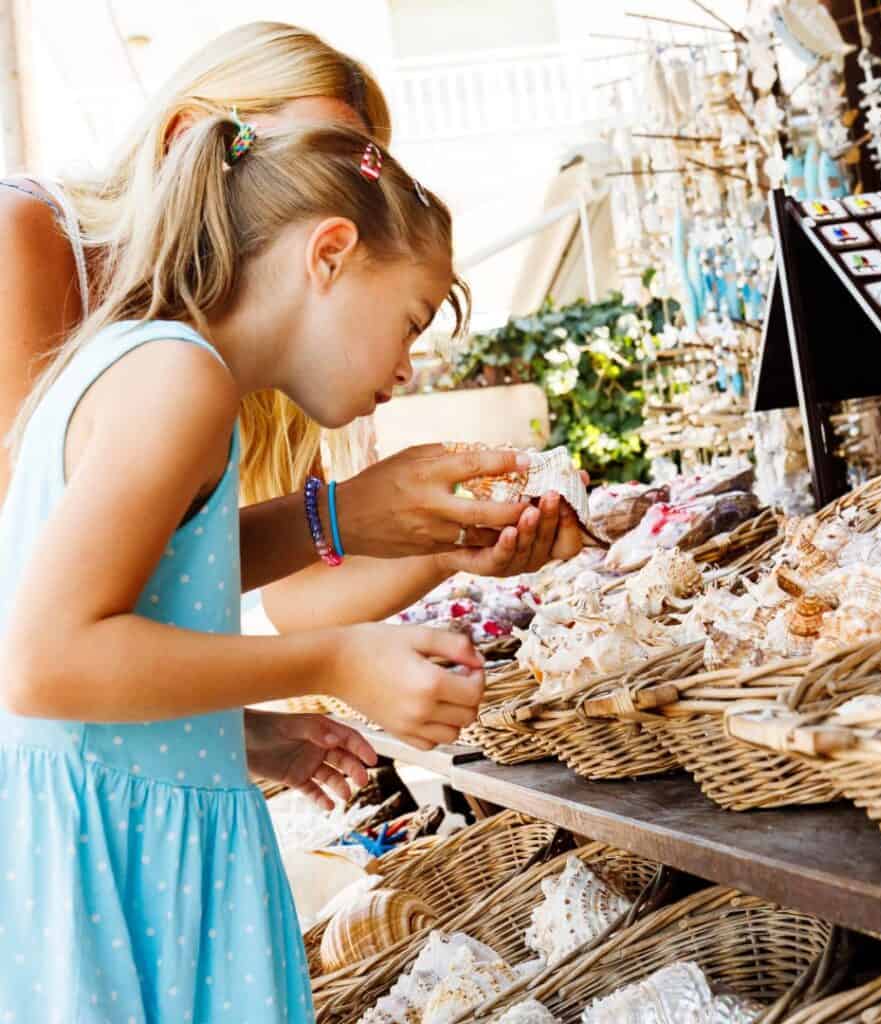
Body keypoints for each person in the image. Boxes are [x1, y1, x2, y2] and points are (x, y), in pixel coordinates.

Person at [0, 22, 583, 807]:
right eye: (311, 162)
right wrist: (330, 663)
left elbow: (245, 586)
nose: (335, 191)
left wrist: (443, 544)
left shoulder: (236, 349)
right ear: (190, 141)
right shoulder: (37, 251)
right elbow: (40, 626)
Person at [0, 109, 493, 1020]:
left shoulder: (148, 364)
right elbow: (44, 662)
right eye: (412, 320)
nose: (409, 366)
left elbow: (141, 601)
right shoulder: (179, 382)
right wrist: (336, 658)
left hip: (114, 852)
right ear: (331, 252)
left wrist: (240, 732)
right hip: (120, 874)